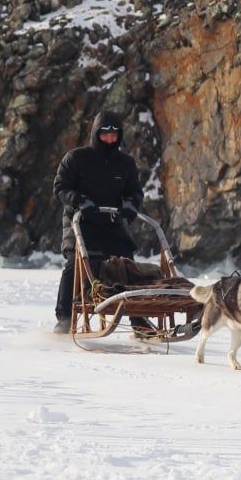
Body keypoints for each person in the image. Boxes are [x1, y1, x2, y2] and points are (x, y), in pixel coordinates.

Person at [51, 111, 146, 334]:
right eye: (105, 135)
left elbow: (135, 192)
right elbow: (60, 188)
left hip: (111, 223)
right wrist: (80, 200)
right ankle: (64, 317)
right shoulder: (76, 158)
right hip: (80, 222)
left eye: (114, 135)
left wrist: (130, 205)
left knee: (127, 265)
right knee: (77, 264)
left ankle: (138, 319)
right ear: (96, 134)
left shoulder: (126, 163)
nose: (110, 139)